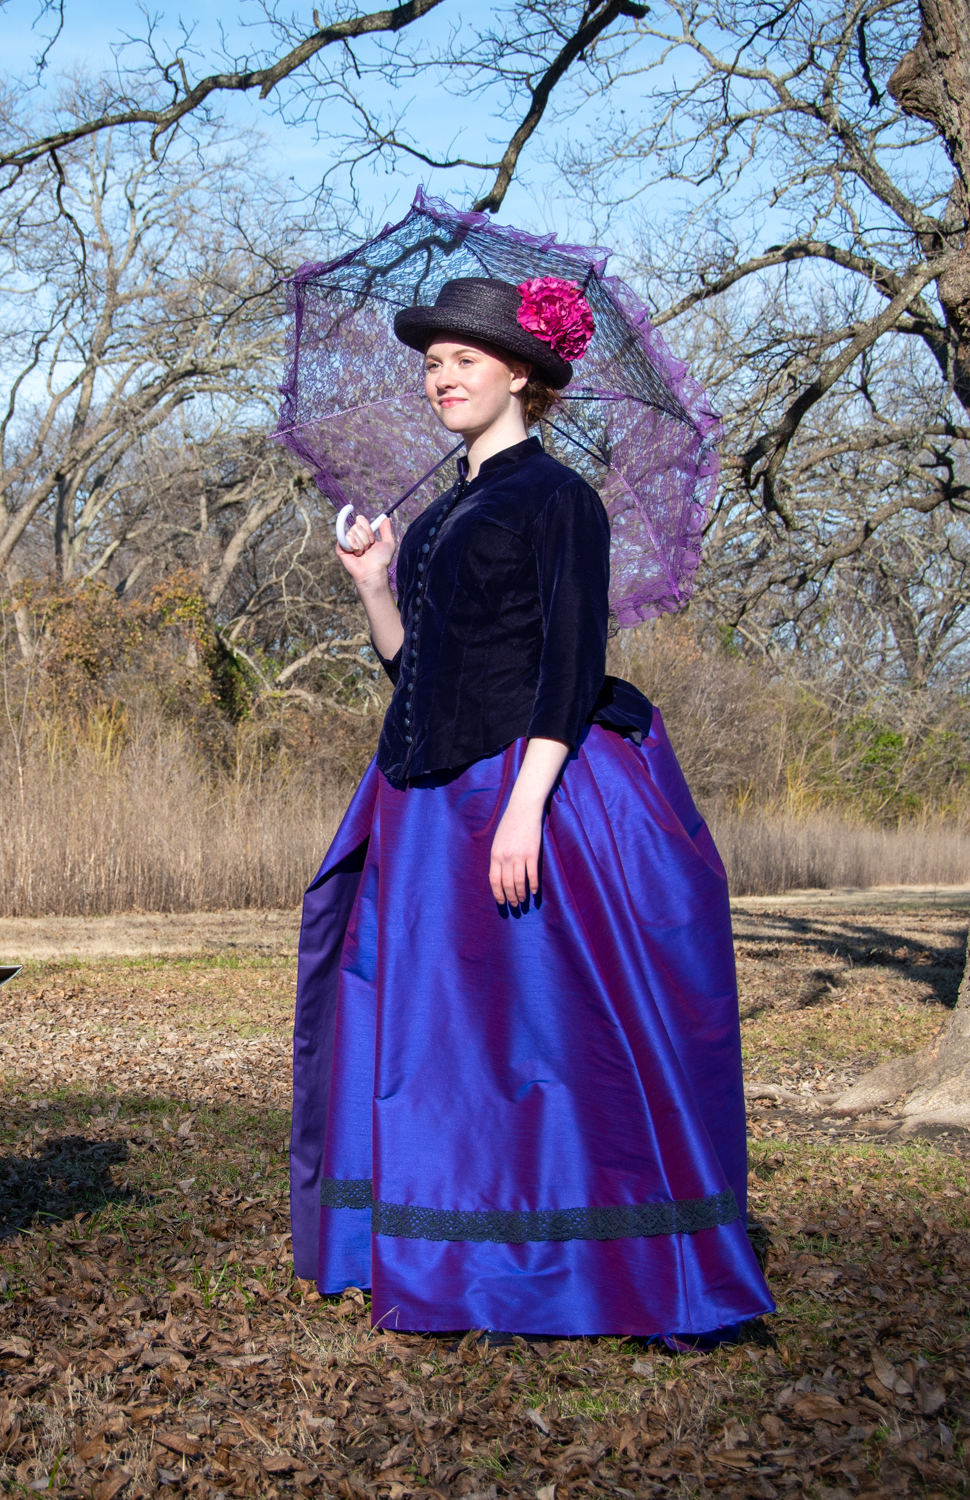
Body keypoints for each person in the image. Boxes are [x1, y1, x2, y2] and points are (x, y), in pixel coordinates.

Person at [288, 276, 775, 1340]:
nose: (442, 378)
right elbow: (416, 674)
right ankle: (438, 1252)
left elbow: (569, 663)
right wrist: (374, 580)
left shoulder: (558, 501)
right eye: (431, 363)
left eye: (465, 359)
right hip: (422, 798)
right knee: (442, 1039)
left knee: (541, 1036)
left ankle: (566, 1261)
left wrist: (525, 807)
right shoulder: (441, 513)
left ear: (523, 373)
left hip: (518, 788)